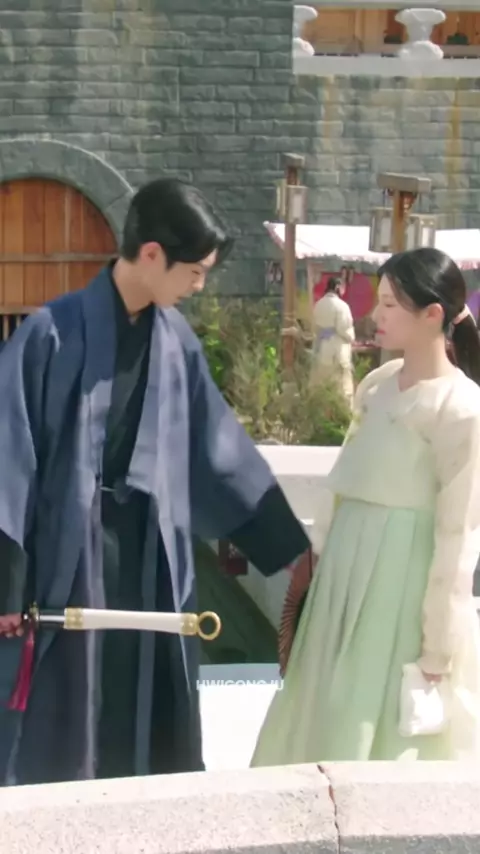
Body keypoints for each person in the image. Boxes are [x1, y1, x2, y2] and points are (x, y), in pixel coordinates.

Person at [0, 178, 311, 786]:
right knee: (61, 720)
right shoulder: (49, 334)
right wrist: (7, 587)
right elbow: (9, 463)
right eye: (193, 273)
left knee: (145, 711)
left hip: (151, 559)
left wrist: (291, 549)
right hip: (66, 559)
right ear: (150, 255)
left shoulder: (177, 345)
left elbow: (220, 454)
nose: (198, 286)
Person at [251, 247, 480, 765]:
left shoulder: (461, 407)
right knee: (322, 702)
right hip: (344, 573)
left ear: (433, 314)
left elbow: (458, 535)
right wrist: (317, 558)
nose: (376, 315)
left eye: (391, 305)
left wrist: (438, 646)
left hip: (401, 582)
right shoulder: (377, 385)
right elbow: (344, 482)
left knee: (374, 715)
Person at [311, 276, 355, 406]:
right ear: (337, 287)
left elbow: (314, 327)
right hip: (337, 348)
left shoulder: (318, 304)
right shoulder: (342, 306)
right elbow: (344, 328)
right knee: (341, 386)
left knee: (321, 383)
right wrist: (351, 337)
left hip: (321, 347)